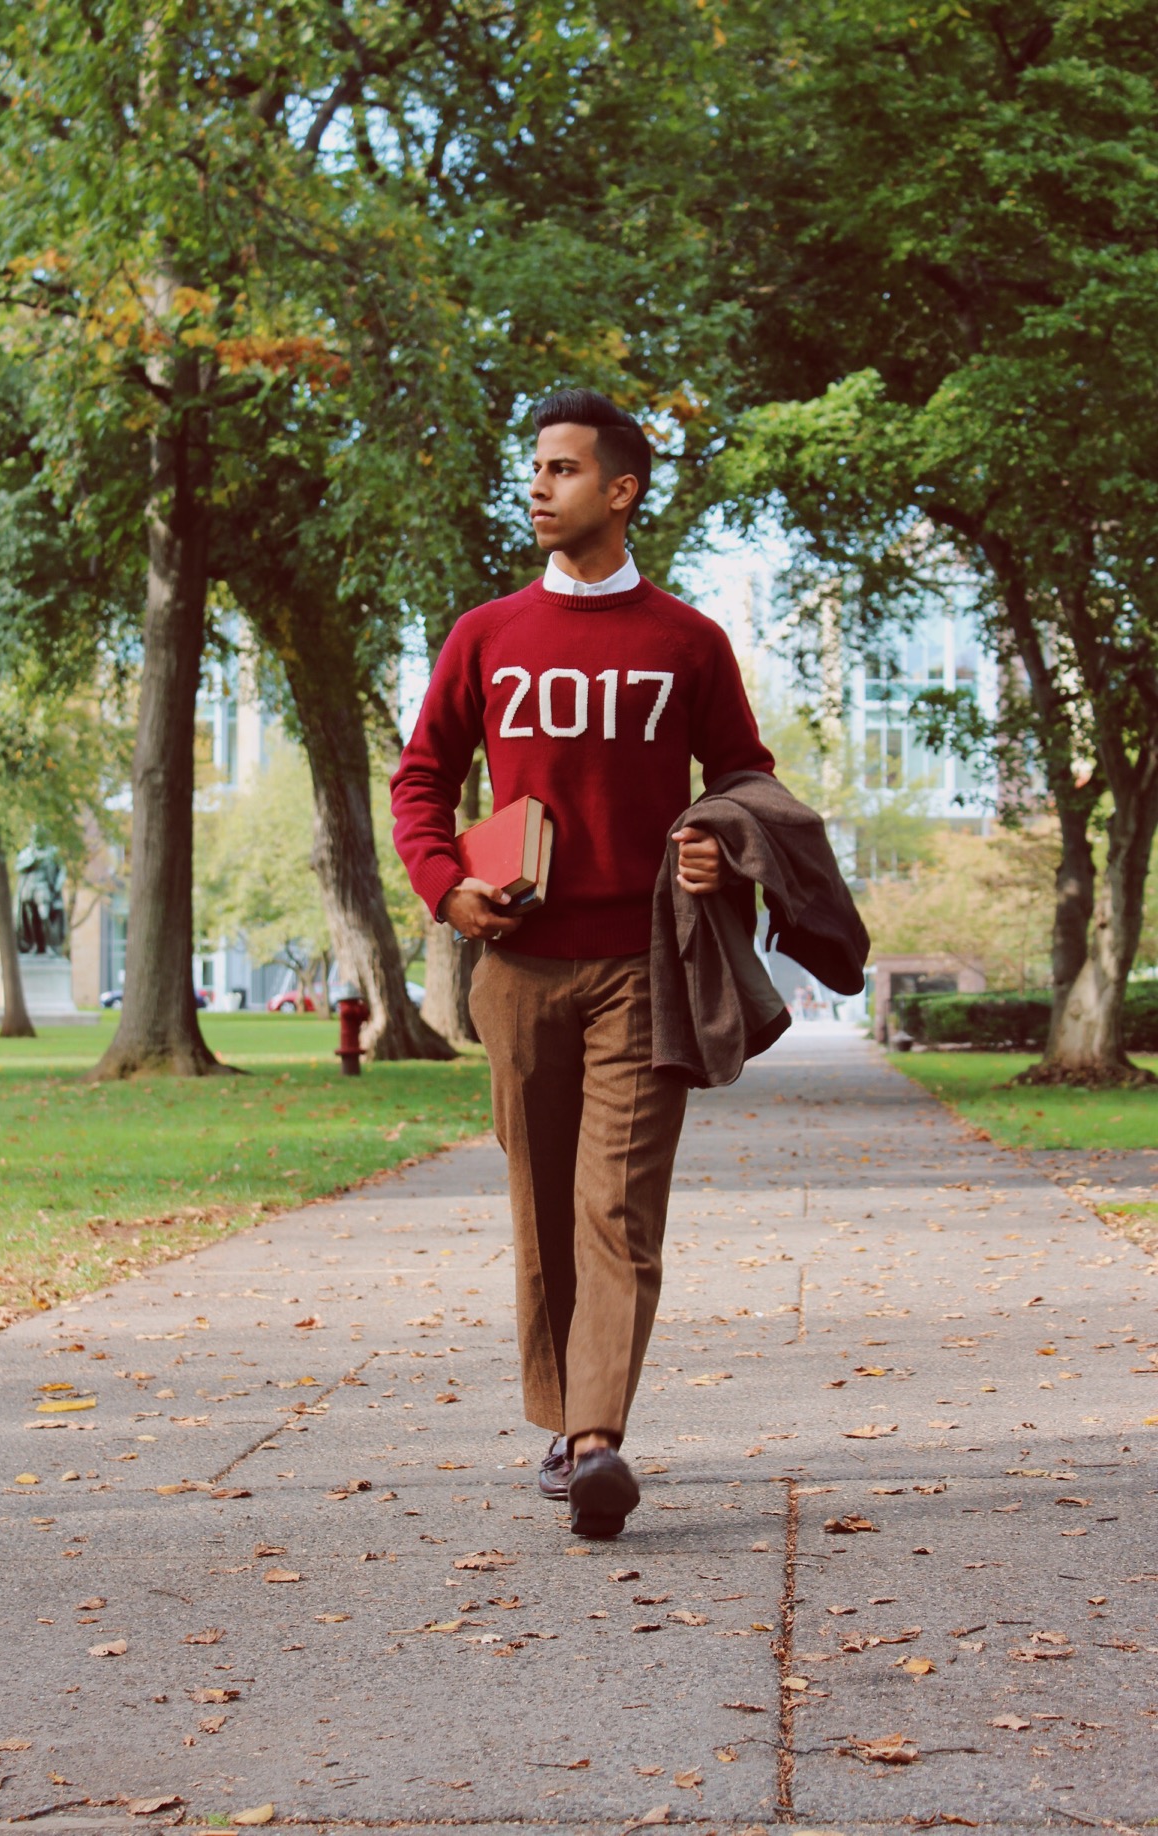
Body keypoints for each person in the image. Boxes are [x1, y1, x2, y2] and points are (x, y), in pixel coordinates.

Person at [391, 387, 774, 1538]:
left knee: (616, 1205)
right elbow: (422, 780)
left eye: (562, 469)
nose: (538, 487)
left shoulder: (687, 642)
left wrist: (722, 846)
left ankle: (599, 1438)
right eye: (535, 468)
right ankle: (565, 1420)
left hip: (644, 967)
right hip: (517, 971)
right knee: (544, 1206)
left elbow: (746, 781)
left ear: (622, 489)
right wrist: (446, 888)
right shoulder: (487, 636)